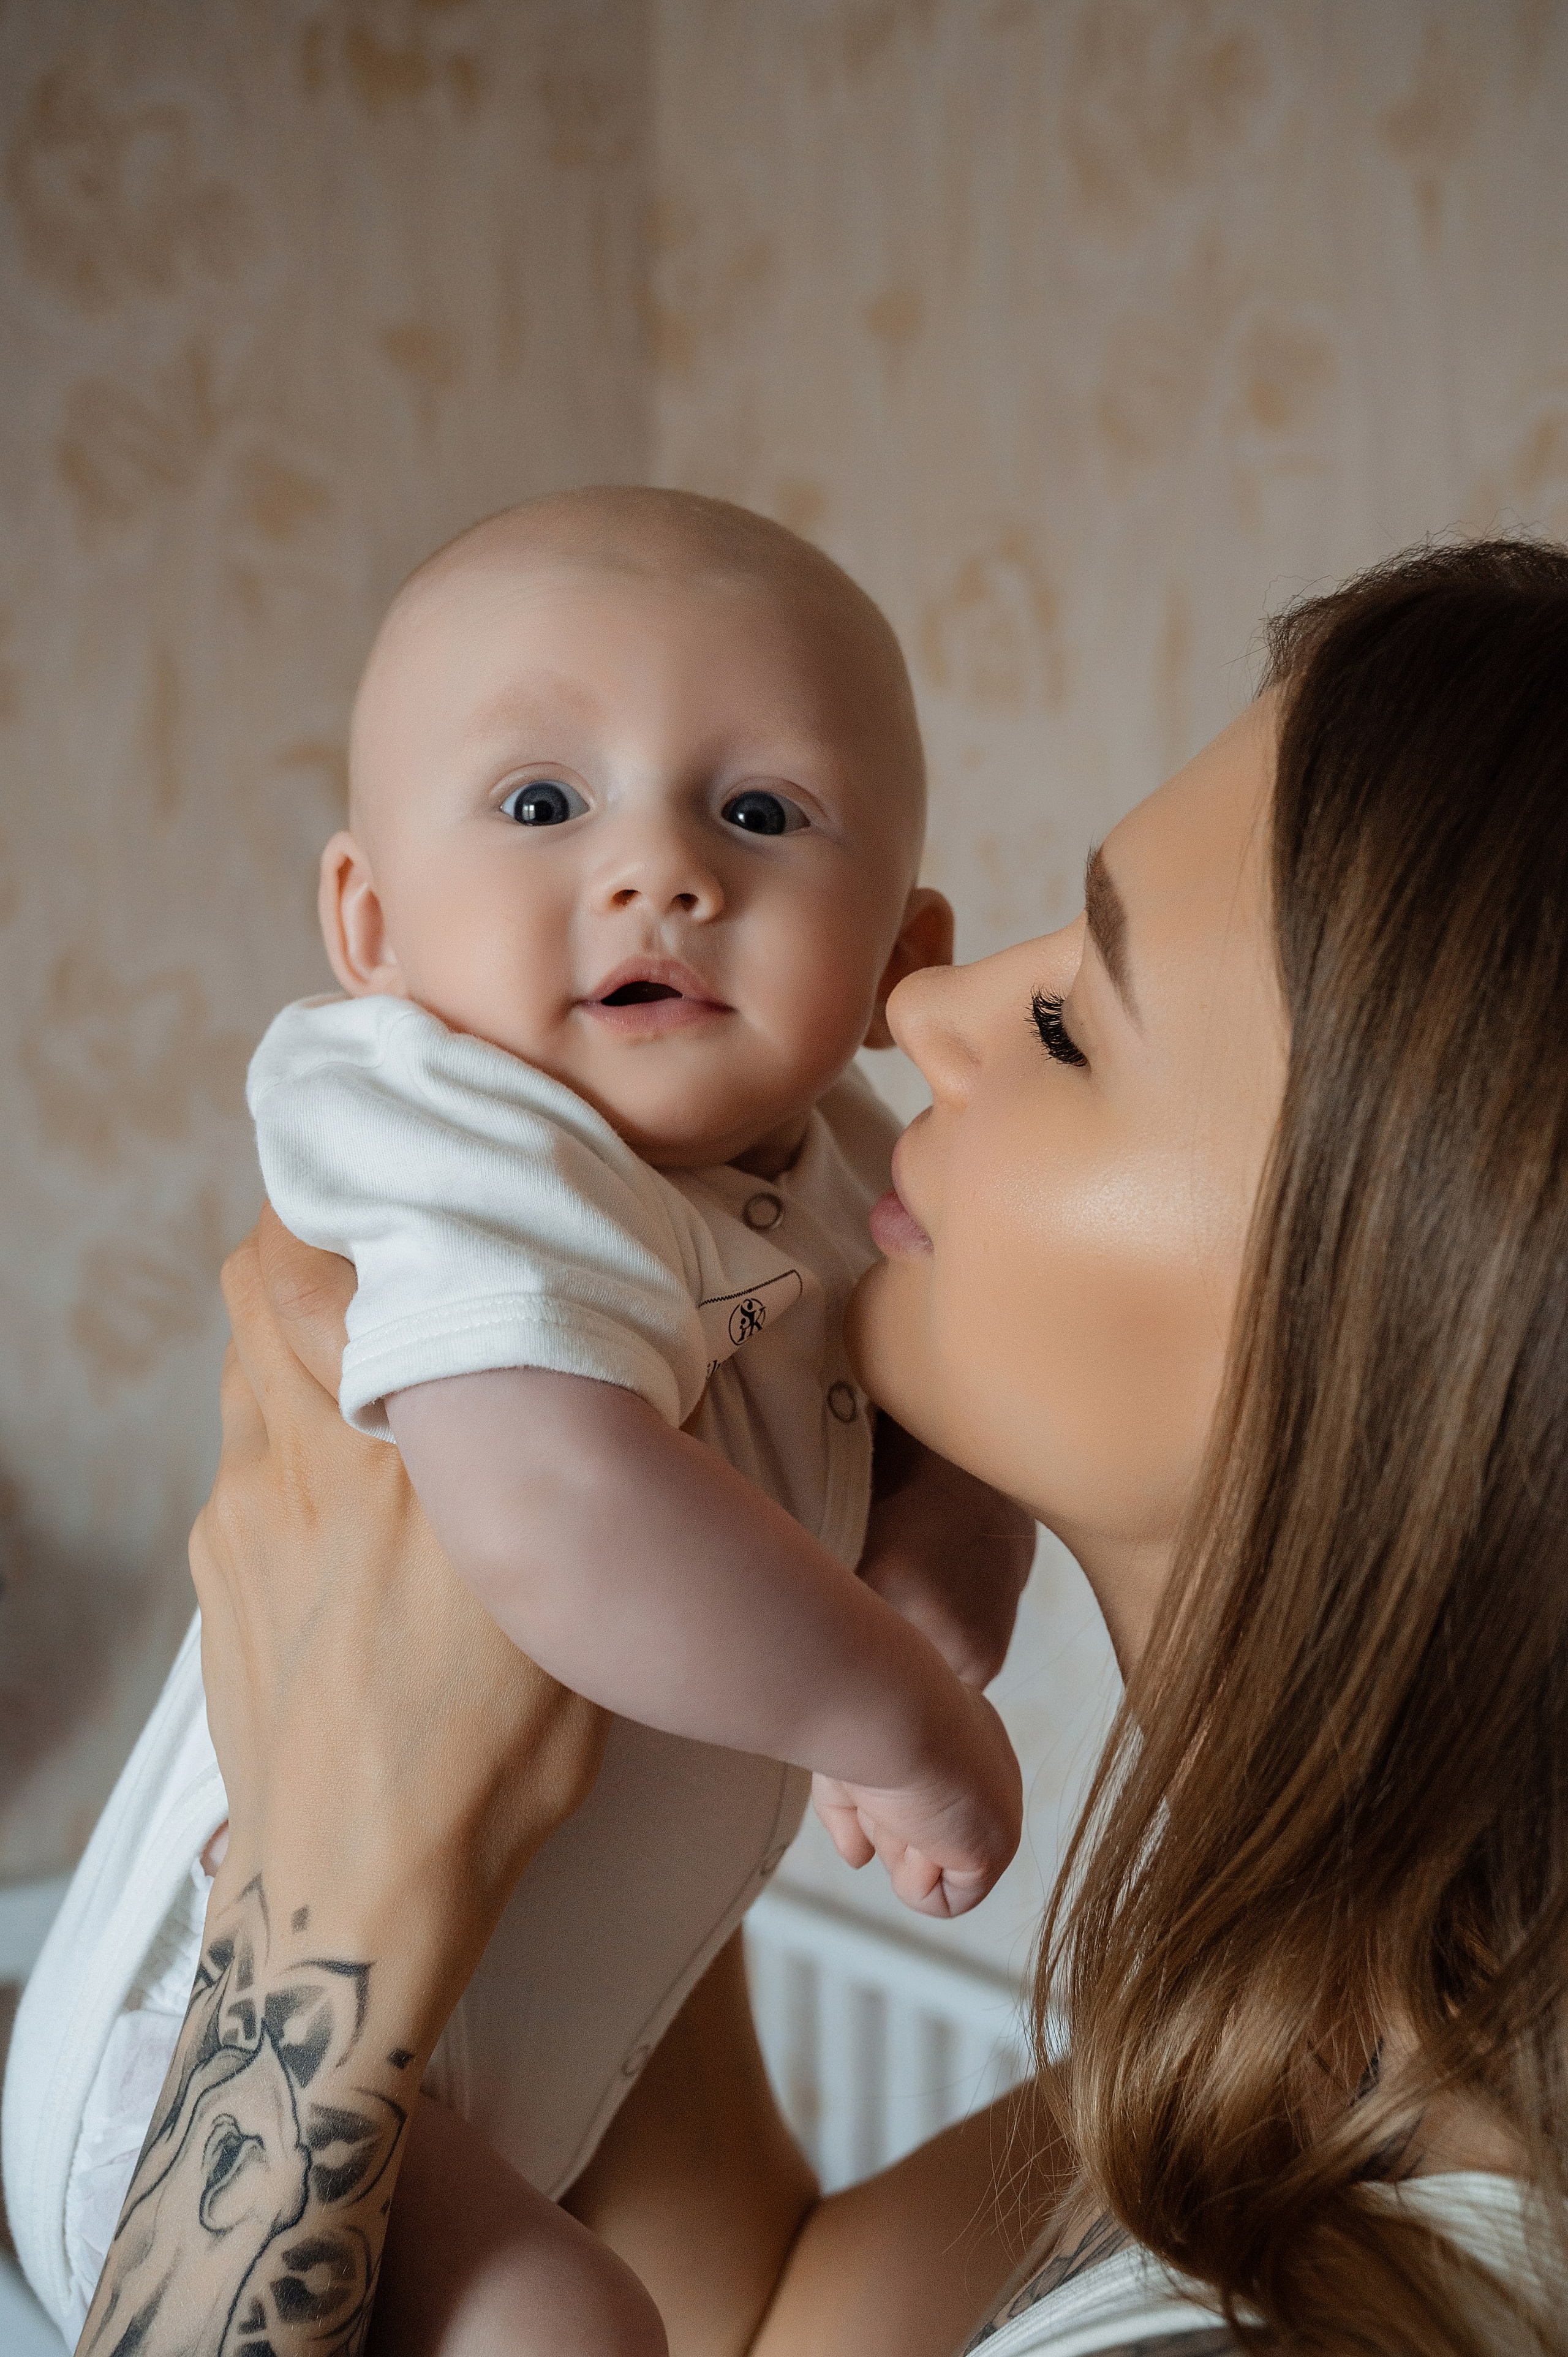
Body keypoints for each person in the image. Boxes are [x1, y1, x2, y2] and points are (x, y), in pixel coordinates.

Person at [15, 535, 1568, 2356]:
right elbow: (765, 2321)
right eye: (541, 802)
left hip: (249, 2058)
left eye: (1073, 1024)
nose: (929, 1006)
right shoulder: (1325, 2049)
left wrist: (338, 1897)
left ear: (1391, 1312)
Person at [4, 487, 1034, 2354]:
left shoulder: (845, 1166)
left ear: (902, 954)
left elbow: (947, 1379)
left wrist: (955, 1541)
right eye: (547, 805)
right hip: (216, 2084)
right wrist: (900, 1713)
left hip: (491, 2049)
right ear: (372, 925)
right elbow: (554, 1511)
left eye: (762, 812)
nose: (661, 873)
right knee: (570, 2332)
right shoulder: (451, 1129)